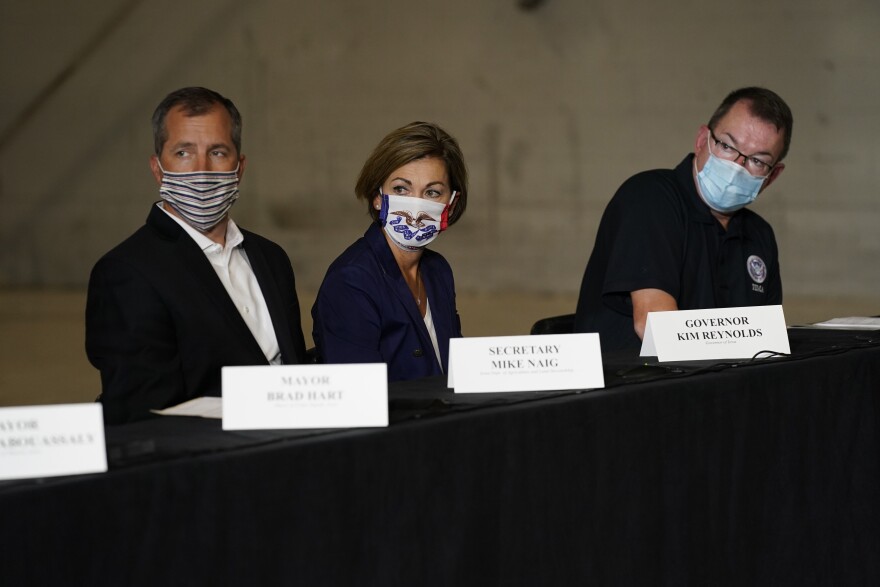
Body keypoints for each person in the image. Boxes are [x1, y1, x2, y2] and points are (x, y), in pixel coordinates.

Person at [86, 87, 307, 424]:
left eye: (218, 152)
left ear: (240, 166)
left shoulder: (271, 258)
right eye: (183, 152)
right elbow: (141, 414)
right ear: (158, 168)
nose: (201, 170)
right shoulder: (126, 273)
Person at [574, 87, 793, 351]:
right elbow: (655, 326)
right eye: (726, 146)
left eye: (757, 161)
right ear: (702, 140)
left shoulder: (759, 235)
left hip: (716, 387)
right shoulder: (649, 198)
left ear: (772, 176)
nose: (736, 166)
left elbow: (766, 344)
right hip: (635, 387)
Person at [311, 122, 468, 380]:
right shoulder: (351, 281)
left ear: (451, 204)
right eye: (401, 189)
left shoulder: (438, 270)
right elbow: (359, 396)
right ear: (377, 196)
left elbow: (456, 369)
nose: (416, 205)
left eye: (432, 192)